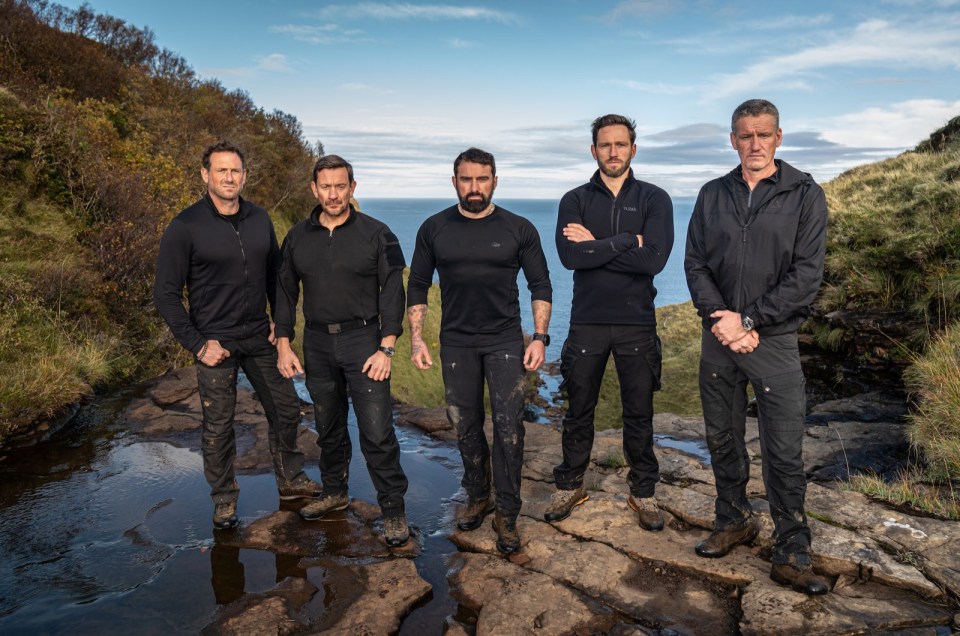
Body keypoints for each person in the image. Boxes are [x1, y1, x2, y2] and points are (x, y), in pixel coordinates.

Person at [684, 99, 829, 595]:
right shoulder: (712, 194)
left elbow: (806, 276)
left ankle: (791, 549)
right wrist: (722, 321)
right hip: (719, 339)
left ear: (779, 138)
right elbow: (695, 265)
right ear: (733, 140)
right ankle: (734, 520)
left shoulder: (806, 194)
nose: (754, 144)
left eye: (763, 135)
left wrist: (749, 320)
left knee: (784, 450)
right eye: (745, 135)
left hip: (775, 341)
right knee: (722, 438)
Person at [154, 140, 321, 531]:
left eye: (235, 171)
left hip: (259, 337)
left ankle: (292, 481)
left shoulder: (259, 219)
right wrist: (197, 343)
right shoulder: (186, 226)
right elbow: (165, 293)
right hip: (216, 342)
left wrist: (281, 334)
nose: (229, 177)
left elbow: (277, 281)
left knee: (285, 409)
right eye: (221, 170)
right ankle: (225, 500)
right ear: (205, 175)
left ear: (244, 175)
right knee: (219, 424)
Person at [407, 148, 552, 555]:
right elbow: (417, 284)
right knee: (464, 424)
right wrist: (417, 340)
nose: (475, 187)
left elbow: (540, 284)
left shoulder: (518, 228)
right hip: (456, 342)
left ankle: (507, 512)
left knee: (509, 429)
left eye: (482, 179)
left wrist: (539, 338)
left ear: (495, 181)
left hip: (505, 341)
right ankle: (477, 495)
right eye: (466, 179)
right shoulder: (434, 228)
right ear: (454, 181)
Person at [545, 115, 674, 532]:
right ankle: (570, 486)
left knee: (639, 412)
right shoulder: (575, 199)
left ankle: (644, 493)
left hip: (637, 323)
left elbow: (654, 260)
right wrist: (625, 241)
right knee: (578, 410)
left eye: (621, 144)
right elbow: (570, 258)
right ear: (594, 150)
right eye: (605, 145)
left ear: (633, 149)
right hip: (587, 323)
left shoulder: (656, 199)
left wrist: (596, 246)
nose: (613, 152)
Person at [274, 155, 410, 547]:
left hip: (364, 342)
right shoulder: (297, 237)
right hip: (316, 342)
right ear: (314, 189)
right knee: (328, 426)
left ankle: (394, 512)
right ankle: (334, 492)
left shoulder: (378, 233)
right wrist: (284, 344)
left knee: (377, 431)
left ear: (353, 187)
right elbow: (284, 293)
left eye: (341, 186)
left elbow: (393, 292)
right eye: (326, 186)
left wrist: (387, 347)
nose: (333, 194)